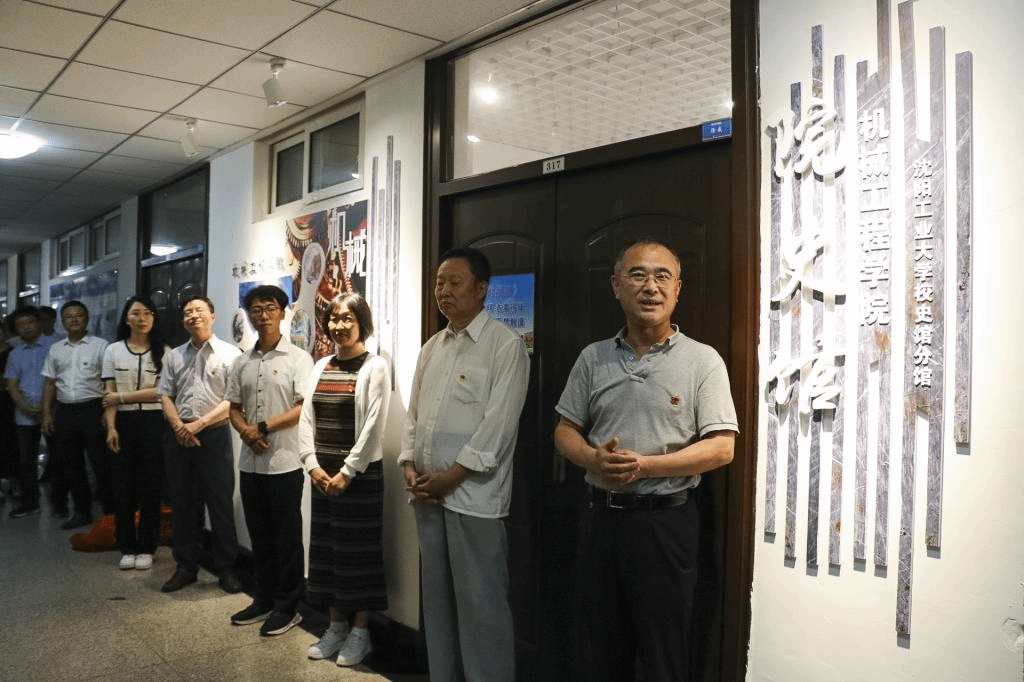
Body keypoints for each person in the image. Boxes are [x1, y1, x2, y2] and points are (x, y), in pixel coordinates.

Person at [553, 241, 738, 681]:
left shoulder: (702, 360)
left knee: (664, 651)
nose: (650, 287)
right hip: (600, 521)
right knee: (601, 647)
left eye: (662, 277)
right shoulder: (593, 357)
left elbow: (721, 447)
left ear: (678, 290)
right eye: (637, 275)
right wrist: (593, 458)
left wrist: (646, 466)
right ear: (616, 286)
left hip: (666, 525)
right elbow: (564, 431)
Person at [399, 247, 529, 682]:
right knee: (437, 605)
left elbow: (498, 428)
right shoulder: (432, 347)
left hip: (474, 499)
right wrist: (410, 467)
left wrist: (451, 478)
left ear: (482, 289)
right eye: (440, 282)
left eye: (455, 282)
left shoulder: (505, 345)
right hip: (427, 497)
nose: (444, 290)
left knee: (481, 608)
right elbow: (414, 417)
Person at [300, 292, 390, 667]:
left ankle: (361, 632)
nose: (339, 325)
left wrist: (348, 472)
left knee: (359, 555)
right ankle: (336, 626)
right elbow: (306, 418)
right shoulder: (322, 364)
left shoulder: (375, 366)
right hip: (323, 476)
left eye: (347, 319)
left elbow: (374, 425)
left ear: (361, 323)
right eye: (334, 319)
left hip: (360, 477)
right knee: (327, 553)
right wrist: (312, 465)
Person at [226, 285, 313, 637]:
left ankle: (288, 607)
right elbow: (233, 408)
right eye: (256, 309)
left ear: (283, 312)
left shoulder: (299, 359)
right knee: (259, 535)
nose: (263, 315)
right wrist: (246, 432)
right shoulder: (241, 362)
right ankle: (263, 599)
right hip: (250, 463)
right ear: (249, 315)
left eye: (270, 308)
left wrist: (262, 427)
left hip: (285, 463)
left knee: (287, 537)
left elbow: (302, 407)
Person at [157, 295, 244, 594]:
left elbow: (233, 399)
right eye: (187, 312)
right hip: (179, 435)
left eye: (199, 310)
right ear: (183, 321)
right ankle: (186, 567)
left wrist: (200, 424)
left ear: (213, 316)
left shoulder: (230, 354)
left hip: (214, 435)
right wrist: (179, 426)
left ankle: (227, 568)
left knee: (219, 504)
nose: (193, 315)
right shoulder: (174, 356)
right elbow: (165, 394)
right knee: (182, 504)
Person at [101, 296, 168, 571]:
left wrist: (122, 396)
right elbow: (108, 395)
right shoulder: (113, 351)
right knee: (123, 487)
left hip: (154, 422)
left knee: (151, 487)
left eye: (148, 313)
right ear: (126, 319)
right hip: (123, 423)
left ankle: (147, 547)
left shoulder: (164, 351)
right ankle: (126, 546)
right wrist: (111, 428)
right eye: (136, 313)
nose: (142, 318)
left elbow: (160, 392)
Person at [41, 300, 111, 529]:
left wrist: (107, 412)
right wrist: (46, 413)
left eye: (78, 315)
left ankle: (111, 511)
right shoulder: (56, 349)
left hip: (93, 409)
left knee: (101, 462)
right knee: (72, 464)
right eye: (68, 316)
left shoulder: (101, 346)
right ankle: (82, 511)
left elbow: (110, 382)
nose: (74, 319)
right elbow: (49, 383)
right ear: (62, 321)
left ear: (86, 319)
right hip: (65, 411)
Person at [3, 307, 55, 518]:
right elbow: (12, 383)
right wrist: (23, 406)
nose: (26, 327)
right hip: (24, 413)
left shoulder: (55, 347)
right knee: (26, 460)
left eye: (30, 322)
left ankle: (60, 503)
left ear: (39, 323)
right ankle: (30, 502)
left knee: (60, 457)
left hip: (53, 410)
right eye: (20, 325)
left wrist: (46, 407)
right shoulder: (15, 354)